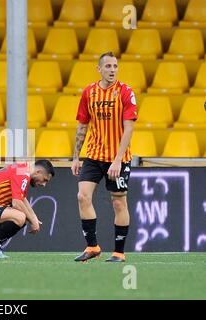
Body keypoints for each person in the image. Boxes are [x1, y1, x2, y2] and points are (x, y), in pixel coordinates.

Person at [71, 52, 137, 263]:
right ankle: (92, 247)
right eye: (107, 66)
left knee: (118, 202)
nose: (112, 70)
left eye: (115, 66)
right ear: (98, 69)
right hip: (93, 155)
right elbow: (82, 125)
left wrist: (118, 160)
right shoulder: (89, 93)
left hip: (118, 158)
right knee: (82, 196)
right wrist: (75, 156)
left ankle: (119, 252)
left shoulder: (126, 92)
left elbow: (129, 128)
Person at [0, 160, 55, 258]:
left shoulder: (22, 169)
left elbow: (22, 199)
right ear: (38, 172)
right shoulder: (23, 173)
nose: (44, 184)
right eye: (45, 180)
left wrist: (33, 217)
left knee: (23, 217)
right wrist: (33, 221)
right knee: (20, 217)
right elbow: (17, 203)